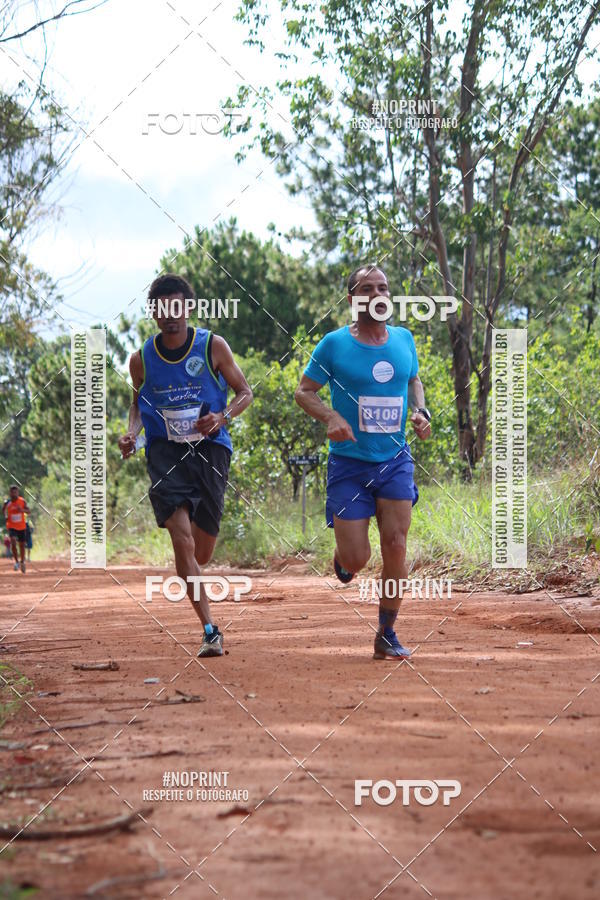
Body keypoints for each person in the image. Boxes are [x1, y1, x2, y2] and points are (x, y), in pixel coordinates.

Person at [295, 264, 431, 660]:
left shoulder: (404, 339)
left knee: (396, 544)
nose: (377, 294)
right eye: (367, 289)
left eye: (383, 288)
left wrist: (421, 412)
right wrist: (331, 417)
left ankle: (387, 633)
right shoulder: (334, 345)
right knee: (359, 558)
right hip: (349, 464)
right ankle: (343, 558)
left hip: (394, 459)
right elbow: (304, 392)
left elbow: (412, 380)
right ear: (353, 299)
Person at [118, 274, 253, 657]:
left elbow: (246, 393)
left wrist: (222, 416)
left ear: (188, 308)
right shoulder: (141, 359)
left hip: (210, 450)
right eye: (163, 309)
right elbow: (137, 406)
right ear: (154, 314)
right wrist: (131, 434)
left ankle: (196, 577)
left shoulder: (213, 346)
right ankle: (210, 630)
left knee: (202, 552)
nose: (171, 315)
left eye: (177, 307)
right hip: (165, 454)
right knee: (182, 539)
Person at [2, 485, 31, 573]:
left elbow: (28, 511)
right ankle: (16, 562)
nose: (14, 494)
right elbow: (3, 511)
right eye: (12, 492)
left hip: (21, 527)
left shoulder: (22, 501)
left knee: (22, 545)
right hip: (11, 526)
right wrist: (6, 517)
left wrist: (21, 510)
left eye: (16, 492)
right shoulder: (7, 503)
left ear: (18, 493)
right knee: (13, 542)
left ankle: (22, 562)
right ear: (10, 493)